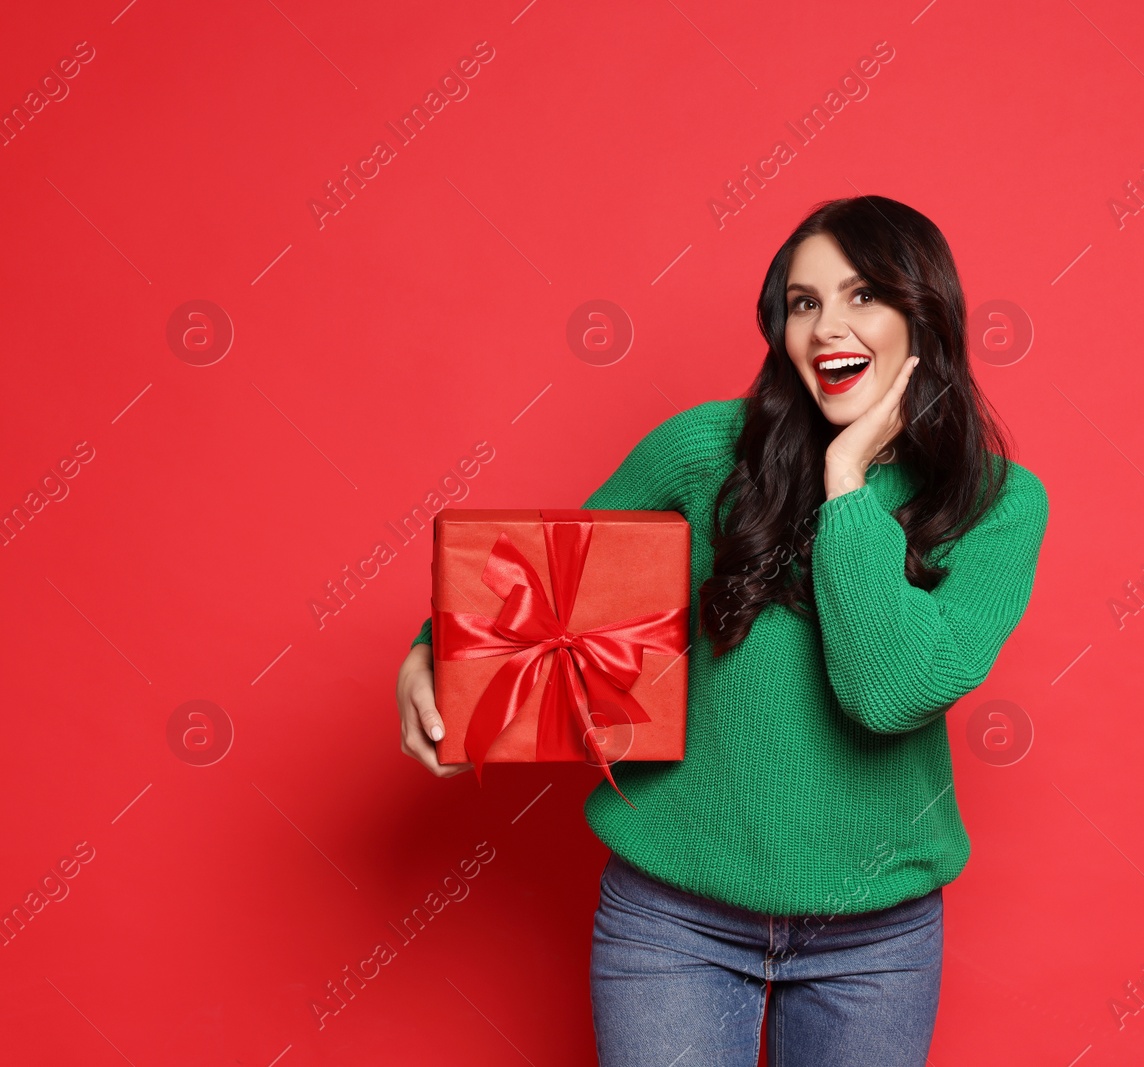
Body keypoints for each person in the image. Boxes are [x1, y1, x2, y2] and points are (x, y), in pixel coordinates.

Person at [395, 195, 1049, 1065]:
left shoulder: (999, 504)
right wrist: (432, 654)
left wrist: (846, 480)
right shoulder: (705, 450)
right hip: (672, 919)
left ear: (923, 313)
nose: (825, 328)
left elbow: (888, 690)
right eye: (804, 302)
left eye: (862, 297)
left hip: (875, 942)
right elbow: (546, 579)